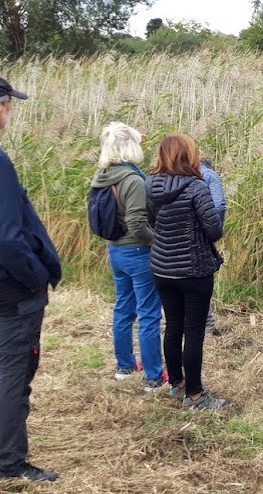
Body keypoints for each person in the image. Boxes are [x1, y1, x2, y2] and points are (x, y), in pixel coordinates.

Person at [0, 79, 61, 482]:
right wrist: (36, 276)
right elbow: (7, 238)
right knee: (14, 372)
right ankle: (9, 462)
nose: (10, 113)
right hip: (12, 290)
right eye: (8, 105)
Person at [147, 134, 226, 409]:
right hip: (194, 270)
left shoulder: (149, 184)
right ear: (190, 155)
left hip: (162, 268)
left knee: (172, 326)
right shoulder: (197, 187)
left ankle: (176, 383)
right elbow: (214, 230)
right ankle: (195, 395)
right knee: (193, 332)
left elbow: (151, 221)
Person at [91, 122, 165, 390]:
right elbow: (136, 222)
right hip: (137, 251)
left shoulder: (103, 174)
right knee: (149, 313)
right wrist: (157, 241)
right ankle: (153, 376)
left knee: (123, 307)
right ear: (129, 147)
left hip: (115, 250)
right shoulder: (133, 180)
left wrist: (131, 138)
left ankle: (124, 366)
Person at [200, 156, 225, 337]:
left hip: (169, 241)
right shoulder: (210, 175)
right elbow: (219, 206)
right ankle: (207, 325)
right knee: (201, 280)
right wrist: (214, 231)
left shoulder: (170, 174)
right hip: (200, 237)